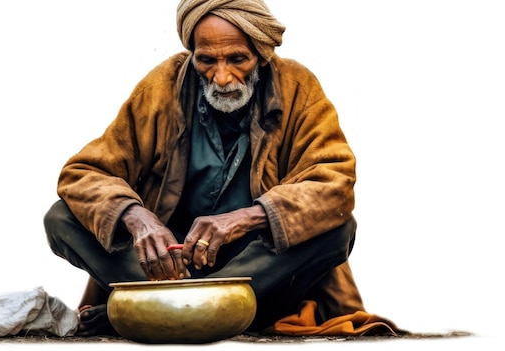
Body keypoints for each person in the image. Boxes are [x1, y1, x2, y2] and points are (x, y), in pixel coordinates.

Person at [44, 0, 401, 337]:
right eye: (206, 61)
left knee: (339, 227)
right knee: (61, 217)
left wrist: (247, 218)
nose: (222, 77)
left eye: (237, 59)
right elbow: (82, 173)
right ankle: (173, 302)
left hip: (255, 273)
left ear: (261, 54)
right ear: (192, 55)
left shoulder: (298, 88)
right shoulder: (163, 87)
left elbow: (334, 182)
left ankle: (161, 310)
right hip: (167, 270)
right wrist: (137, 218)